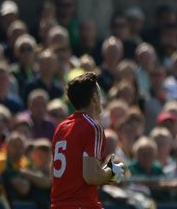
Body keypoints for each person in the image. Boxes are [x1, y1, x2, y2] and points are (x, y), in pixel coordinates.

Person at [50, 72, 126, 208]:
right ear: (94, 98)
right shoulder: (93, 127)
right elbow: (90, 176)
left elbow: (55, 173)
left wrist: (103, 171)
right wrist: (113, 172)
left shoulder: (61, 127)